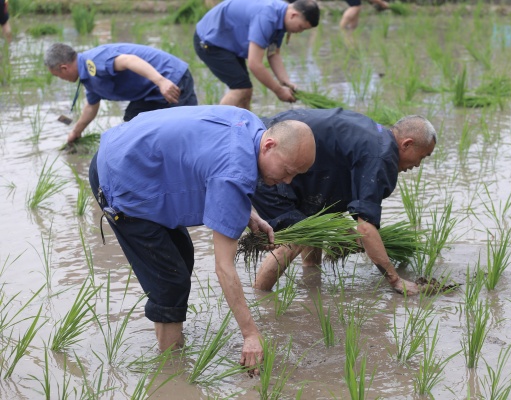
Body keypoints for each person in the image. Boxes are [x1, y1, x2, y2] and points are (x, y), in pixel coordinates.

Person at [88, 105, 315, 373]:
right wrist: (250, 334)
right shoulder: (234, 171)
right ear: (269, 145)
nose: (286, 181)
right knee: (170, 281)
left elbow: (214, 167)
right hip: (120, 178)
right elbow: (224, 268)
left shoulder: (250, 125)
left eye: (295, 176)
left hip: (136, 156)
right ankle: (170, 371)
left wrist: (247, 213)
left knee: (182, 256)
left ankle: (172, 347)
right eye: (287, 170)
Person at [251, 108, 437, 295]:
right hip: (270, 160)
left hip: (268, 146)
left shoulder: (374, 137)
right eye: (421, 156)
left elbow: (334, 197)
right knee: (300, 235)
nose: (418, 165)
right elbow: (366, 228)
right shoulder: (381, 156)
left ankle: (311, 284)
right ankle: (260, 297)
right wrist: (395, 280)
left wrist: (347, 233)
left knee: (315, 220)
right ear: (407, 144)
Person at [44, 43, 198, 144]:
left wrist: (161, 81)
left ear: (64, 68)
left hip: (171, 79)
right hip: (150, 92)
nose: (61, 79)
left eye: (58, 76)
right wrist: (75, 132)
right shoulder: (88, 78)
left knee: (184, 133)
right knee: (134, 125)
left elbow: (128, 60)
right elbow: (91, 107)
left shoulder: (94, 61)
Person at [193, 0, 319, 110]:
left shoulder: (282, 18)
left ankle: (247, 130)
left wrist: (285, 81)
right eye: (301, 27)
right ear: (293, 15)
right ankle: (218, 128)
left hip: (228, 42)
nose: (299, 31)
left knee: (246, 90)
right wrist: (278, 90)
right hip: (210, 40)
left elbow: (273, 53)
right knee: (240, 88)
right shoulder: (267, 17)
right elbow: (254, 64)